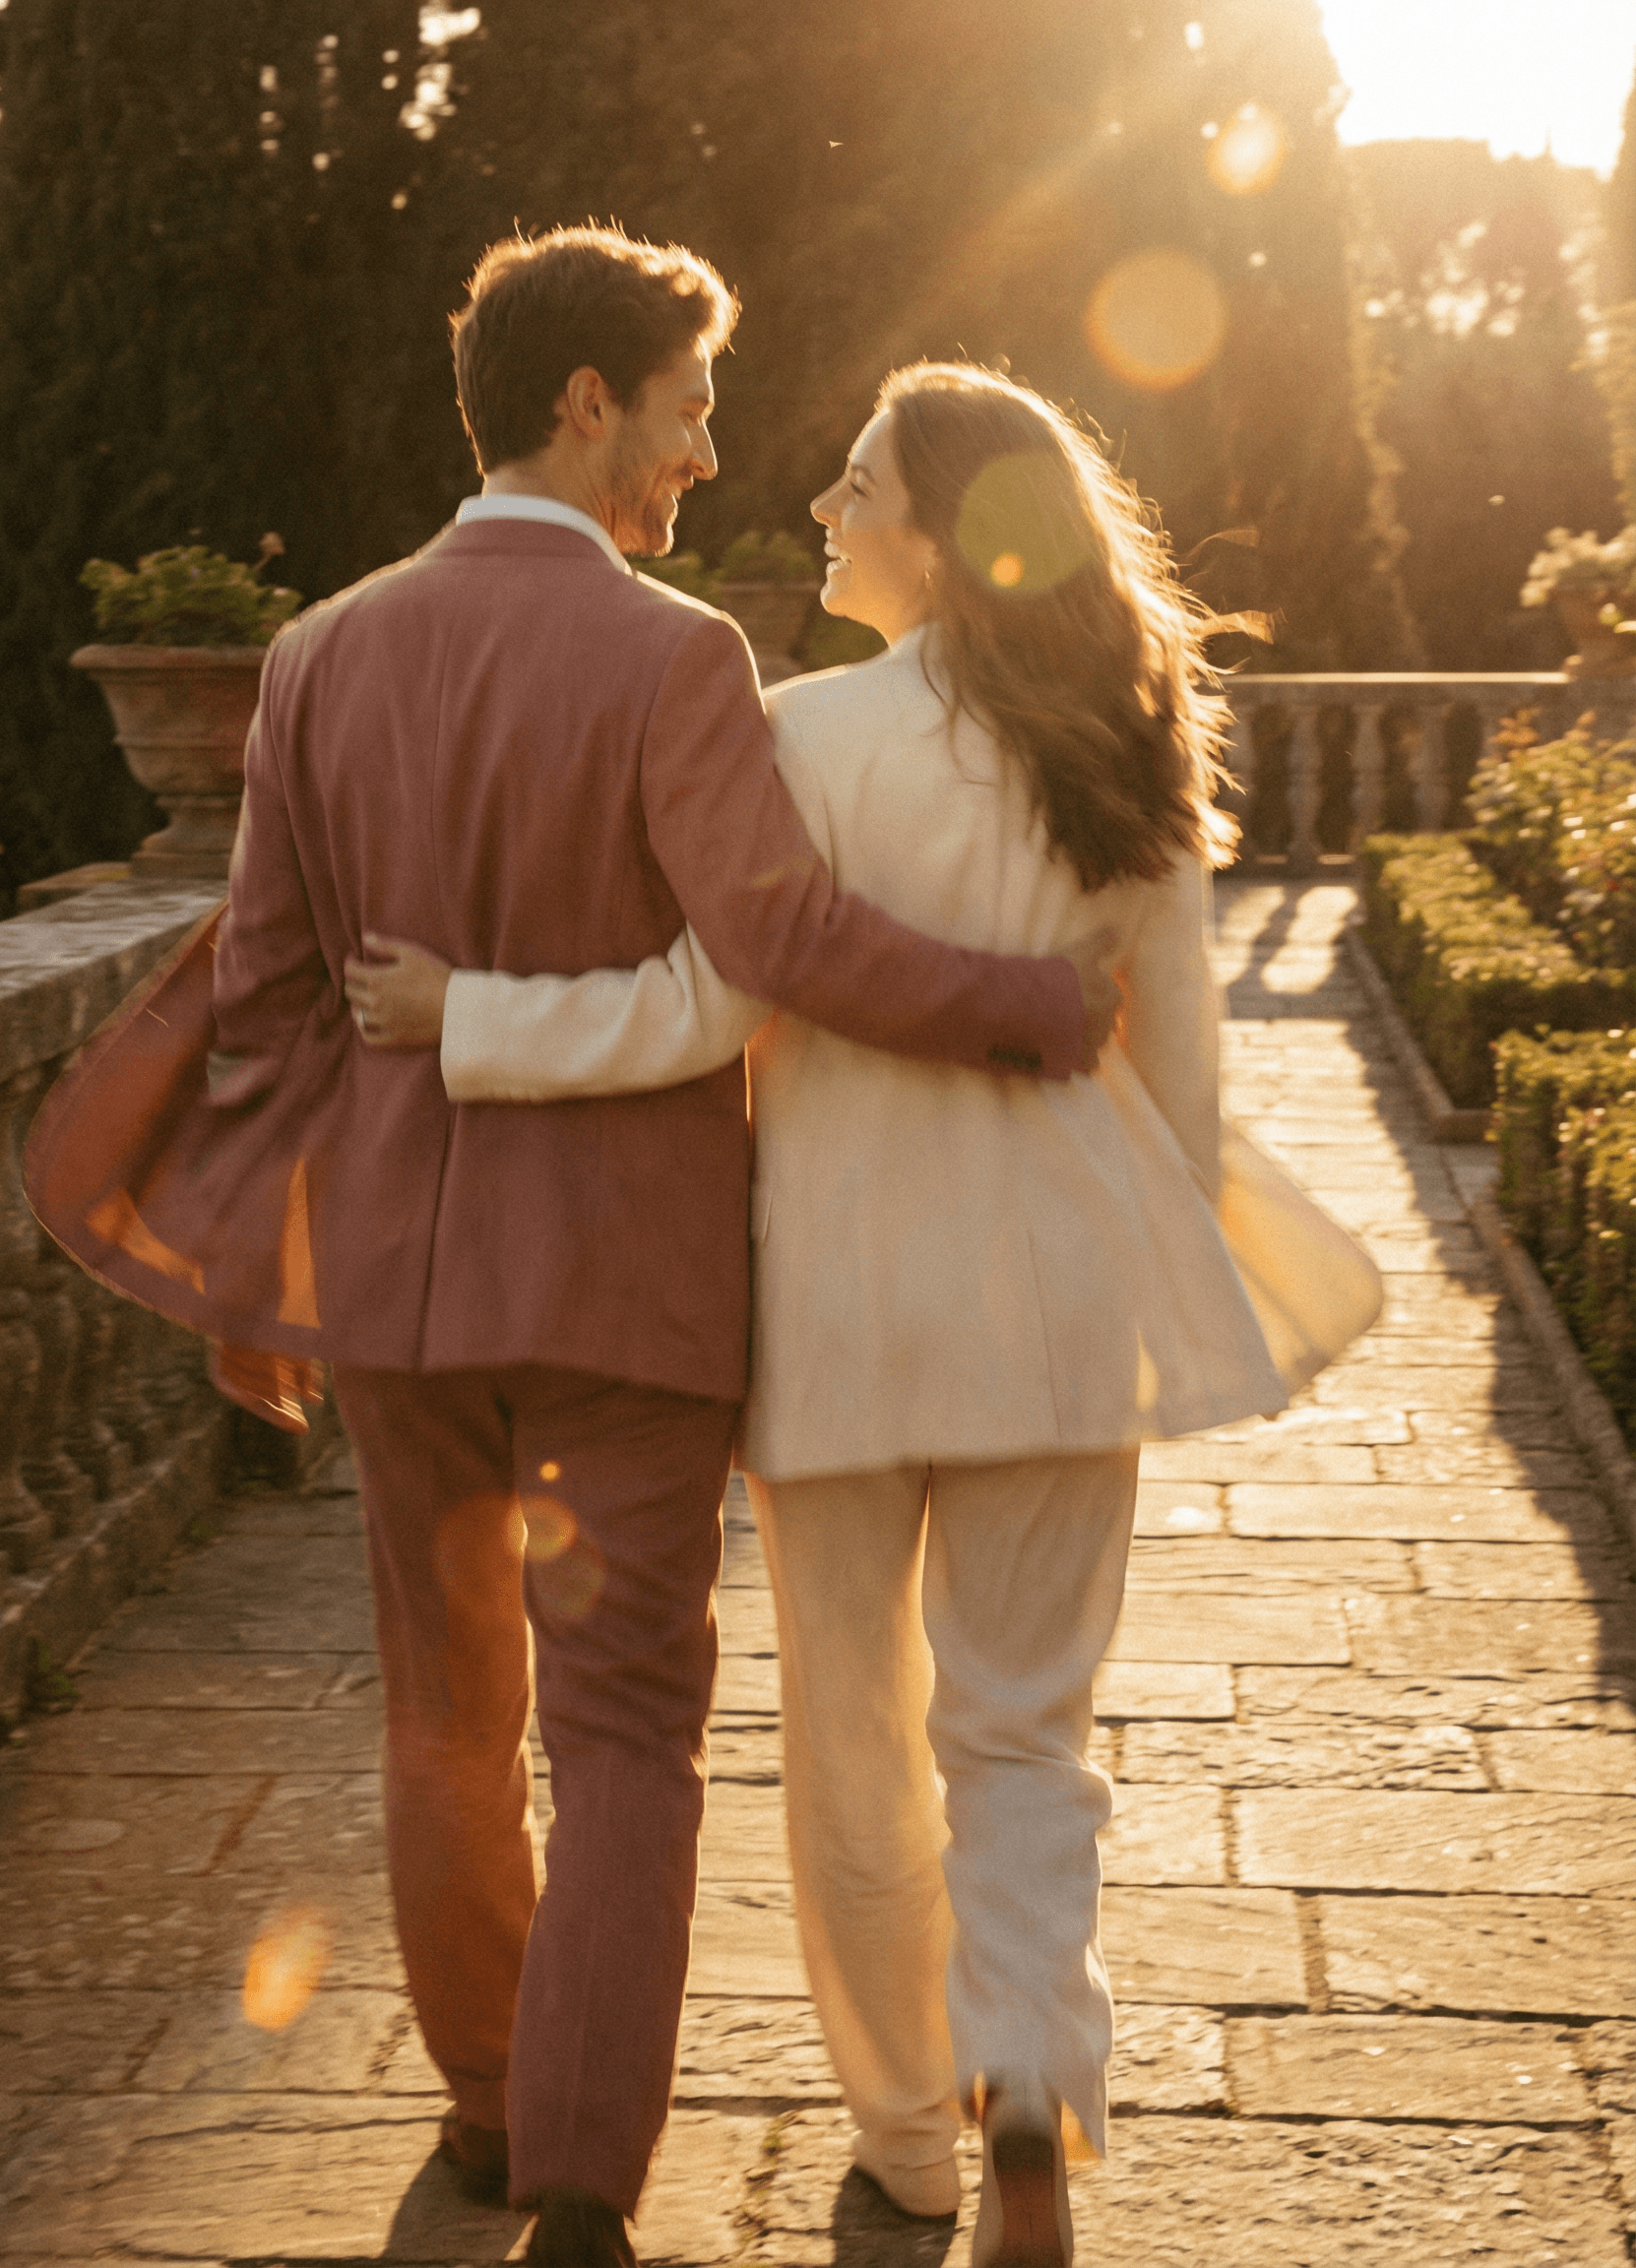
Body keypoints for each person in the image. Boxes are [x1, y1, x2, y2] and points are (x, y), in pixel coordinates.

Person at [25, 240, 1126, 2268]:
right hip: (629, 1293)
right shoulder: (675, 660)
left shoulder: (320, 656)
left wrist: (241, 1287)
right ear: (588, 401)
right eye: (692, 402)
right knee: (627, 1736)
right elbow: (776, 948)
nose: (709, 453)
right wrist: (1032, 1007)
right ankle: (584, 2183)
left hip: (394, 1291)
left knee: (445, 1710)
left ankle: (484, 2101)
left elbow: (260, 999)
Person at [345, 362, 1381, 2268]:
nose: (819, 505)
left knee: (851, 1739)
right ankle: (1029, 2117)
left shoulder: (806, 737)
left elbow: (697, 1003)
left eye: (853, 483)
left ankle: (909, 2144)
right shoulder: (1132, 741)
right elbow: (1188, 1089)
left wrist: (464, 1018)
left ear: (945, 525)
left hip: (832, 1303)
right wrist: (1148, 1289)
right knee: (1023, 1738)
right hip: (1059, 1294)